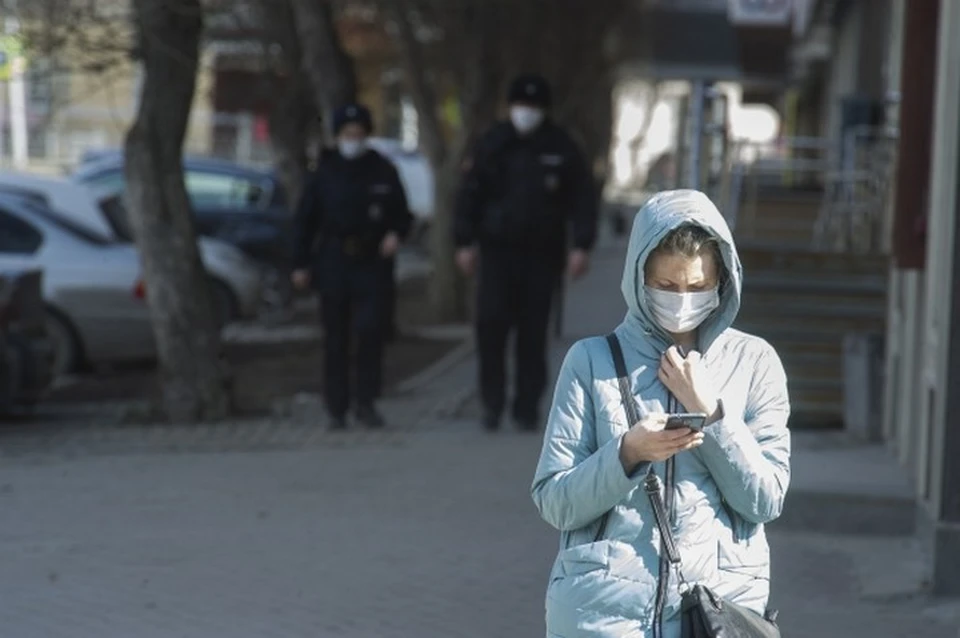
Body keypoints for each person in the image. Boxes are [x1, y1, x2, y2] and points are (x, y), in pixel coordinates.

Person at [531, 189, 791, 637]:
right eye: (667, 287)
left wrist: (711, 413)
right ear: (640, 279)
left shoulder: (754, 362)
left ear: (722, 281)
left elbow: (765, 501)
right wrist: (627, 453)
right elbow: (555, 501)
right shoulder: (591, 361)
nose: (683, 300)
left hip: (714, 616)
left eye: (698, 286)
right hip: (603, 616)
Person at [454, 72, 598, 432]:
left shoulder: (561, 147)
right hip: (496, 254)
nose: (526, 111)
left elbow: (582, 198)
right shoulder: (493, 143)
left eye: (533, 105)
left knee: (533, 333)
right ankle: (491, 403)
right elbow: (469, 195)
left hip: (541, 255)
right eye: (521, 104)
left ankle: (527, 406)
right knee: (491, 329)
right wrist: (464, 241)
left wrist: (581, 245)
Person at [291, 103, 412, 430]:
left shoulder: (383, 170)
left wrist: (395, 234)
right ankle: (337, 407)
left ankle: (366, 402)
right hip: (334, 262)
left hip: (373, 263)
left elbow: (402, 215)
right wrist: (300, 263)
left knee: (370, 332)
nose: (353, 140)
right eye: (347, 134)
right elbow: (305, 221)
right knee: (336, 338)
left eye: (358, 134)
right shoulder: (324, 173)